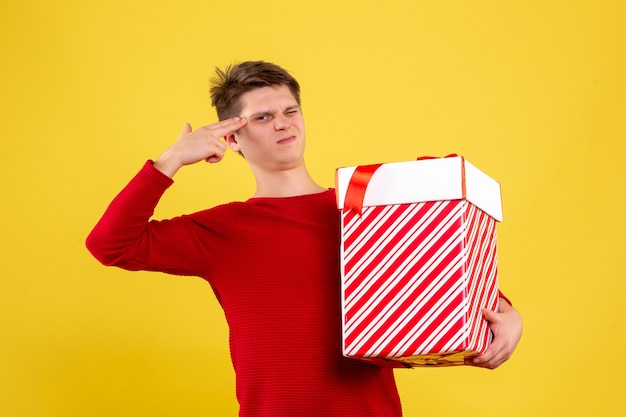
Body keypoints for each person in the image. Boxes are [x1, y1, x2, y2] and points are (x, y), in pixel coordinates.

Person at [86, 61, 522, 417]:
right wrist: (172, 160)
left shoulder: (364, 211)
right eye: (262, 117)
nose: (283, 124)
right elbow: (110, 245)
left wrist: (509, 315)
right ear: (232, 138)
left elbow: (447, 274)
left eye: (290, 111)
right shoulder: (222, 231)